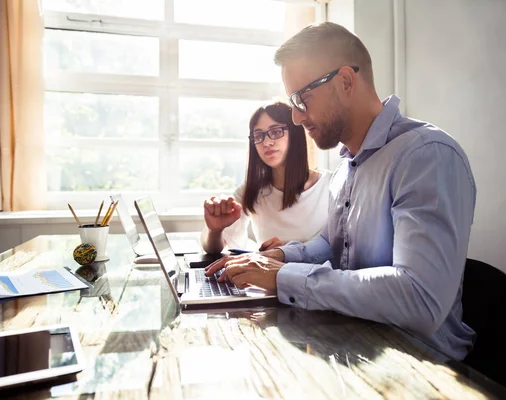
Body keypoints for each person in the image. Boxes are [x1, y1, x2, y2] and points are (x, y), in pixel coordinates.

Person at [206, 22, 477, 360]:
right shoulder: (346, 168)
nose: (295, 116)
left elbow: (419, 298)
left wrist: (287, 278)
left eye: (301, 98)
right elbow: (331, 244)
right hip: (352, 346)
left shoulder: (425, 155)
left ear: (346, 81)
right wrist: (281, 257)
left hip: (419, 365)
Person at [201, 101, 331, 254]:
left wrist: (287, 253)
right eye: (259, 136)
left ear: (295, 134)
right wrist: (214, 230)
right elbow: (212, 248)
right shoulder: (252, 190)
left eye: (276, 132)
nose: (267, 142)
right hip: (268, 277)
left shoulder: (330, 185)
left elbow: (342, 251)